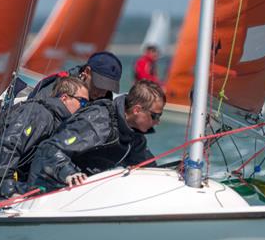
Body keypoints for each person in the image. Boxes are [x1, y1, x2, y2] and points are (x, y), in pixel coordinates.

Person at [0, 76, 90, 204]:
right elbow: (9, 145)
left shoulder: (55, 121)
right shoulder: (40, 113)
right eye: (82, 102)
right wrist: (8, 187)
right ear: (64, 98)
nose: (84, 108)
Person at [29, 79, 165, 192]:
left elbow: (148, 167)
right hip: (51, 190)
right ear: (136, 110)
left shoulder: (134, 136)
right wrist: (69, 173)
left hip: (88, 192)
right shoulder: (98, 120)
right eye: (155, 116)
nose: (158, 122)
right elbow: (51, 149)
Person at [28, 51, 122, 102]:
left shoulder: (105, 100)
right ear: (87, 71)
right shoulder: (57, 86)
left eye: (107, 88)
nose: (101, 93)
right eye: (99, 85)